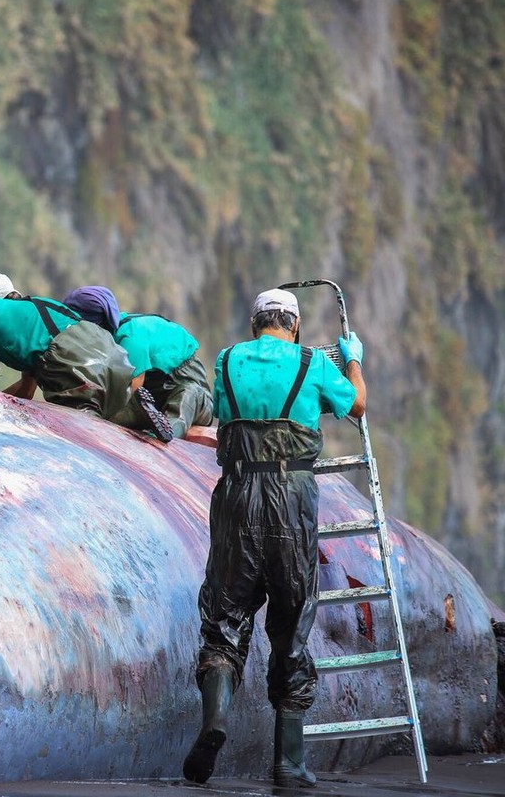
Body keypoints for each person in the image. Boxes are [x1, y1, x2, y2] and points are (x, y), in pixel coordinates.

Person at [182, 288, 367, 787]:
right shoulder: (311, 362)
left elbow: (222, 415)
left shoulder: (226, 362)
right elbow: (357, 406)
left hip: (237, 495)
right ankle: (288, 763)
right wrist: (351, 361)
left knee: (224, 616)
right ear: (295, 324)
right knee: (290, 622)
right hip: (290, 497)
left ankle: (215, 719)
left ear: (254, 323)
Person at [0, 273, 135, 424]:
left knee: (78, 425)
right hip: (116, 360)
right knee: (109, 413)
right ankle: (133, 411)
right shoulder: (38, 314)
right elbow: (26, 391)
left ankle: (98, 414)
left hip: (80, 368)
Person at [64, 286, 214, 440]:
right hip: (152, 399)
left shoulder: (131, 337)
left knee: (184, 400)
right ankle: (144, 418)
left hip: (193, 396)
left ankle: (167, 436)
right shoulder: (111, 339)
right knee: (113, 412)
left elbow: (134, 388)